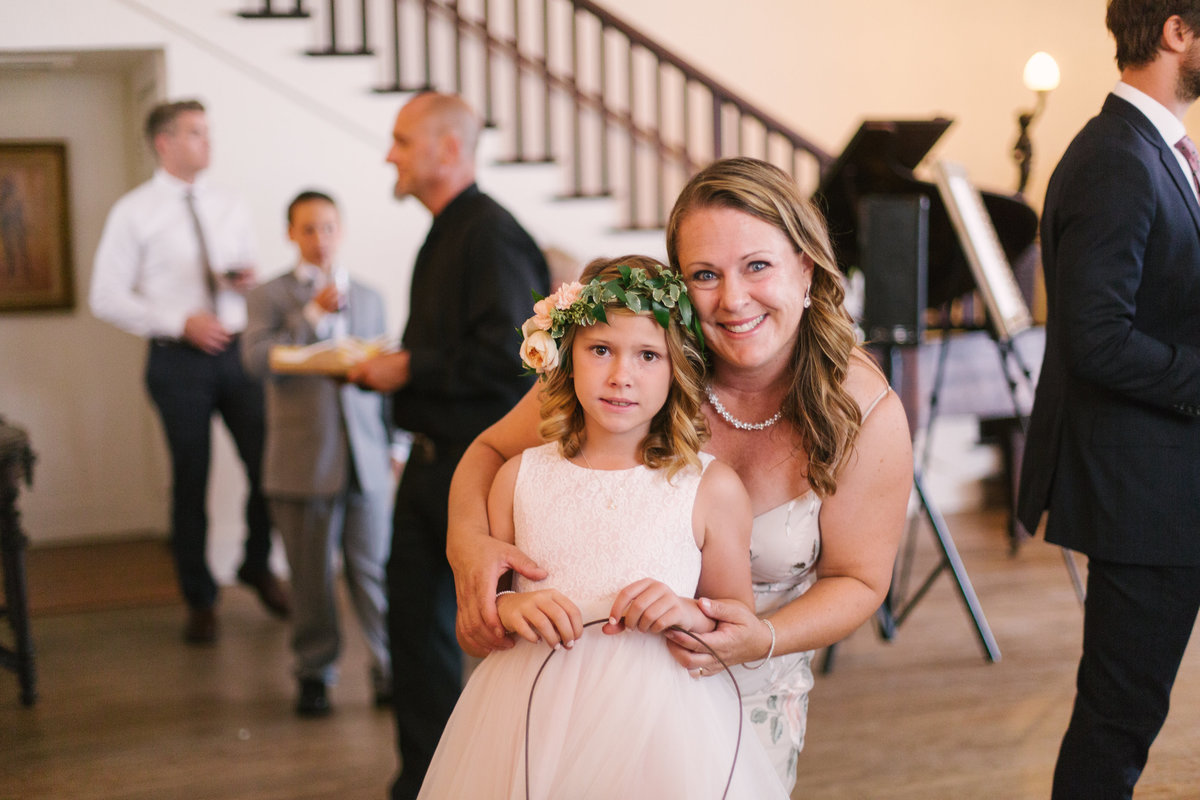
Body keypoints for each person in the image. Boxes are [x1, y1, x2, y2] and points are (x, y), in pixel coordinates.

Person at [446, 156, 913, 790]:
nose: (732, 299)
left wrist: (764, 636)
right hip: (581, 699)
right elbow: (490, 454)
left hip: (752, 692)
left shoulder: (865, 411)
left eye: (757, 266)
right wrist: (469, 546)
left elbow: (859, 578)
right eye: (704, 274)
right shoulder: (636, 375)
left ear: (804, 268)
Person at [418, 255, 787, 799]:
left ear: (677, 368)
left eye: (647, 355)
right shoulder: (517, 480)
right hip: (529, 721)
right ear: (566, 360)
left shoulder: (710, 489)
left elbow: (735, 621)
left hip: (663, 736)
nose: (621, 375)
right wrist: (511, 608)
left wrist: (684, 611)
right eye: (600, 350)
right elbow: (479, 627)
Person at [1017, 3, 1200, 797]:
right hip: (1147, 499)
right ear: (1175, 31)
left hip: (1170, 484)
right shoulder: (1116, 157)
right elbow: (1096, 338)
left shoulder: (1153, 151)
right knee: (1118, 723)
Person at [346, 92, 550, 799]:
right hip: (430, 463)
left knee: (492, 643)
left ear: (448, 150)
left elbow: (512, 359)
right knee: (415, 638)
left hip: (477, 473)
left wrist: (409, 368)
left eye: (401, 141)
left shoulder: (489, 234)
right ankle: (427, 784)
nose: (389, 155)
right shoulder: (444, 230)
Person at [90, 99, 288, 645]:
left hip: (236, 353)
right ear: (164, 142)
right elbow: (104, 296)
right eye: (196, 133)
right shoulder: (133, 212)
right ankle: (200, 599)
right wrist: (179, 321)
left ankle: (255, 564)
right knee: (191, 480)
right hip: (177, 362)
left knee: (268, 465)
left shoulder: (229, 203)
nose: (208, 142)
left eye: (208, 131)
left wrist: (243, 282)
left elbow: (244, 272)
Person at [241, 190, 393, 717]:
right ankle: (314, 672)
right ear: (291, 234)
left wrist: (394, 443)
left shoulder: (371, 296)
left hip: (366, 460)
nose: (320, 238)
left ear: (341, 230)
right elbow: (256, 360)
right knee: (308, 580)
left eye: (328, 227)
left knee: (374, 572)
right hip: (302, 461)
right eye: (308, 229)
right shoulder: (268, 295)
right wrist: (310, 314)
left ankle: (388, 669)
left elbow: (387, 375)